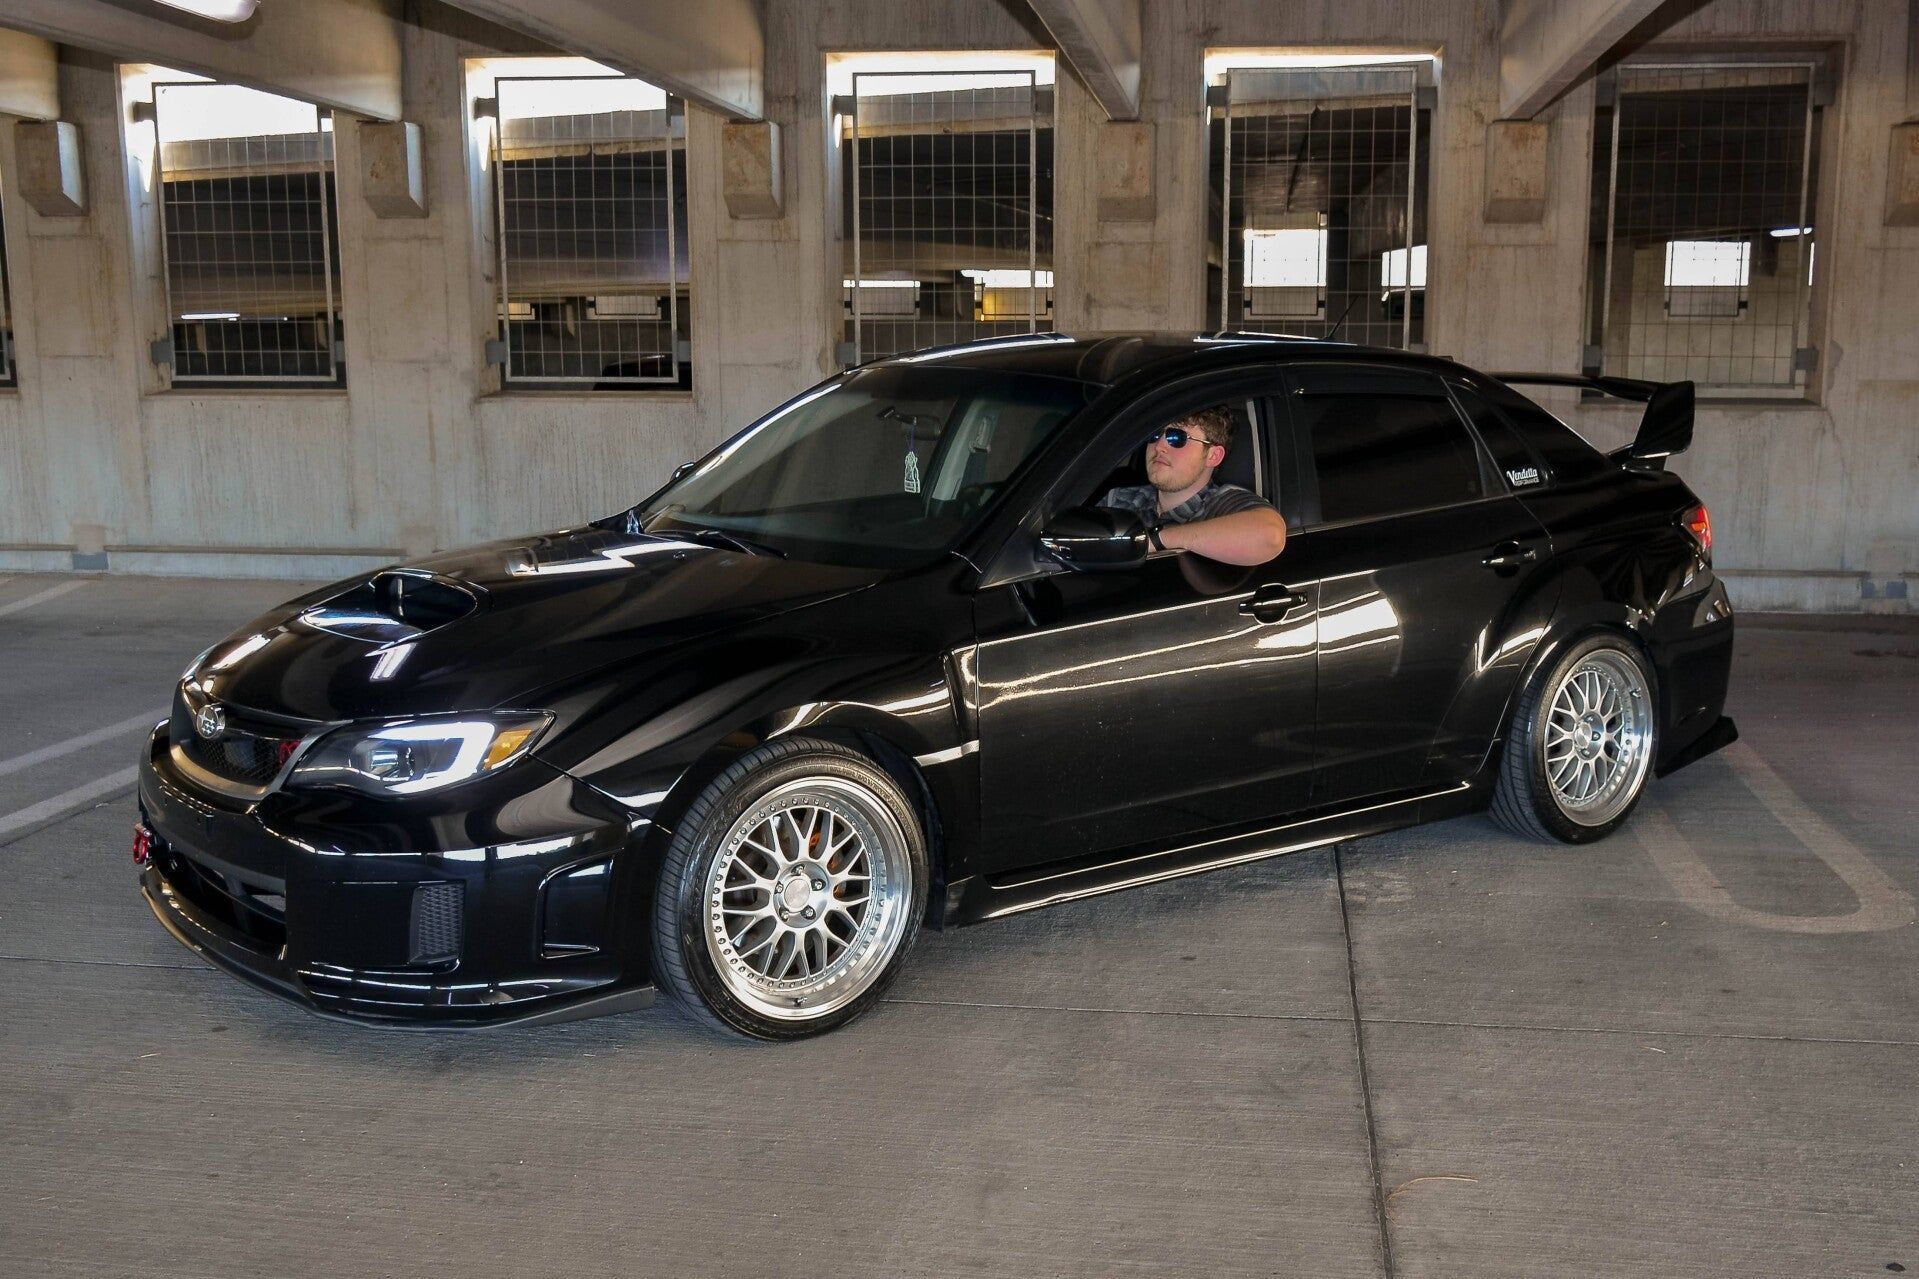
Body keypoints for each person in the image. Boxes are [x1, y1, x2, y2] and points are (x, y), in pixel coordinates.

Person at [1098, 406, 1287, 566]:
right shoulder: (1120, 498)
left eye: (1177, 438)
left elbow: (1270, 535)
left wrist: (1158, 540)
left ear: (1213, 456)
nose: (1159, 446)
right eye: (1155, 435)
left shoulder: (1221, 504)